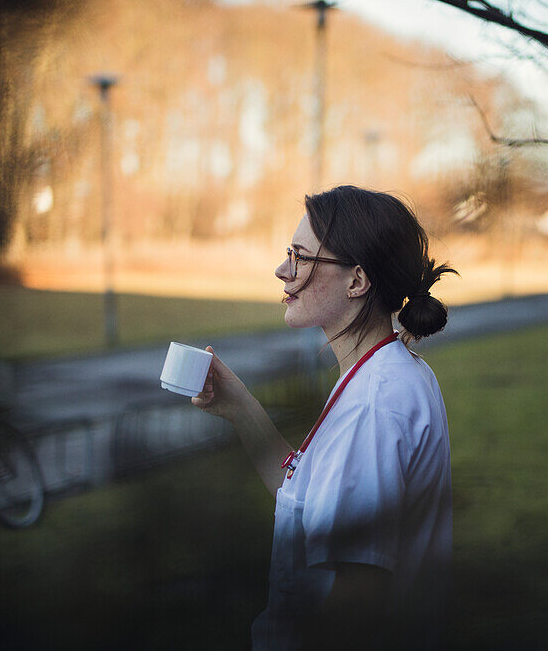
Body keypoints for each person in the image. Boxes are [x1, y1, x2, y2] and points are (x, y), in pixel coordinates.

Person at [192, 185, 457, 649]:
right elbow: (306, 495)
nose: (281, 271)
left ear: (357, 281)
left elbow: (355, 599)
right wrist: (240, 408)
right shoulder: (384, 372)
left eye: (299, 257)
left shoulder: (373, 404)